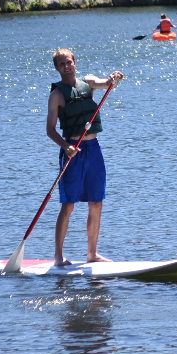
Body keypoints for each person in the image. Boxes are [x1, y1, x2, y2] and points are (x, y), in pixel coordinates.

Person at [46, 48, 123, 266]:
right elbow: (50, 130)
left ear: (75, 62)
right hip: (73, 151)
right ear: (57, 68)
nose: (66, 66)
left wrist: (113, 78)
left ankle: (92, 254)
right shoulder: (57, 95)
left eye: (69, 62)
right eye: (62, 64)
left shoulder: (87, 83)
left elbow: (106, 83)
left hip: (93, 149)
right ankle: (59, 256)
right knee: (68, 205)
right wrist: (66, 146)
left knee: (96, 202)